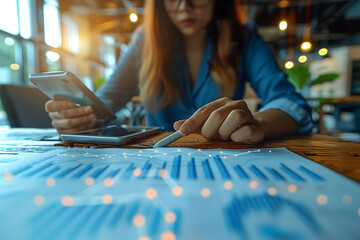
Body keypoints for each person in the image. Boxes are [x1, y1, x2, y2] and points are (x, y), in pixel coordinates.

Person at [45, 0, 313, 144]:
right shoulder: (144, 43)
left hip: (223, 160)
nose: (183, 6)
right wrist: (82, 117)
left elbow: (291, 103)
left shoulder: (245, 38)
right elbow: (105, 103)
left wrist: (261, 123)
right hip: (156, 164)